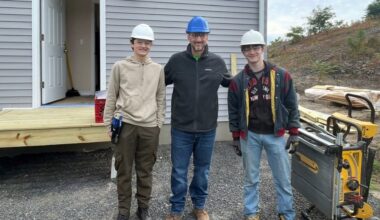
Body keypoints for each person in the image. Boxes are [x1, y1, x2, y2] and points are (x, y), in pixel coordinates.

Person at [228, 30, 300, 220]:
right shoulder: (237, 81)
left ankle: (286, 213)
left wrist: (294, 131)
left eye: (255, 47)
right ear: (243, 51)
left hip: (276, 134)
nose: (252, 52)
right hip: (250, 135)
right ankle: (251, 212)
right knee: (251, 178)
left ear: (262, 48)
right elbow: (233, 111)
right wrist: (235, 136)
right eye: (247, 48)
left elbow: (292, 104)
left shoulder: (281, 76)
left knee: (282, 178)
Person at [164, 16, 231, 220]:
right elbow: (156, 84)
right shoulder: (176, 61)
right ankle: (176, 210)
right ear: (188, 36)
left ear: (207, 36)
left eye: (202, 35)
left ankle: (199, 207)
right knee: (179, 171)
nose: (198, 39)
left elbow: (233, 84)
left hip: (207, 129)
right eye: (194, 35)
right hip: (181, 129)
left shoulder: (217, 63)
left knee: (202, 171)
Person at [103, 24, 165, 220]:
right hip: (125, 125)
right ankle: (123, 210)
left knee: (145, 171)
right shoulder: (119, 67)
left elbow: (160, 98)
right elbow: (111, 97)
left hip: (149, 127)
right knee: (124, 170)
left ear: (151, 45)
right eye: (140, 42)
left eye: (147, 42)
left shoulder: (158, 69)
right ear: (132, 44)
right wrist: (107, 124)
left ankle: (143, 208)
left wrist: (158, 124)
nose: (144, 46)